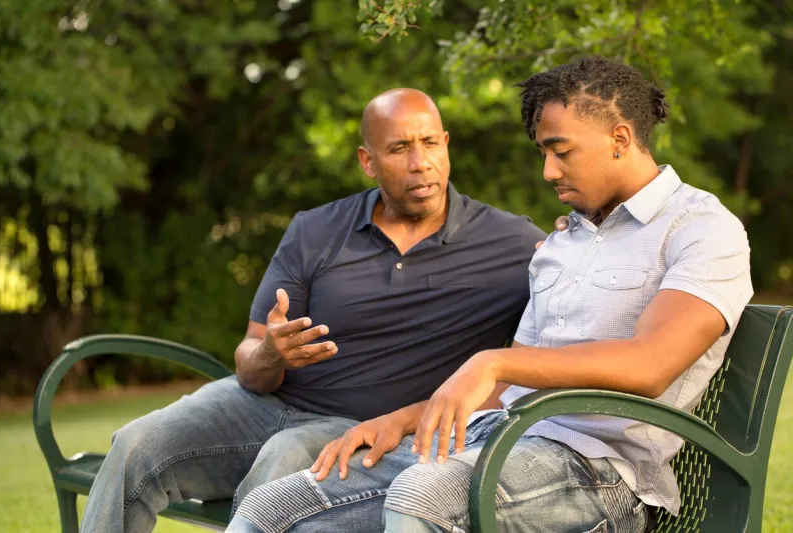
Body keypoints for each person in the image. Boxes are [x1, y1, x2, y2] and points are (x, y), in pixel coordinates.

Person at [225, 56, 754, 533]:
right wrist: (399, 421)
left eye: (560, 151)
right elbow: (506, 391)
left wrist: (492, 362)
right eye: (545, 152)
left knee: (422, 495)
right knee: (275, 506)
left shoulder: (700, 229)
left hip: (597, 472)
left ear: (619, 138)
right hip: (492, 441)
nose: (548, 171)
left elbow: (651, 364)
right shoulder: (562, 243)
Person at [79, 88, 547, 533]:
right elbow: (250, 362)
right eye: (399, 148)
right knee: (135, 445)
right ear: (368, 161)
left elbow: (578, 281)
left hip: (361, 428)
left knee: (281, 461)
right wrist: (271, 354)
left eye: (429, 143)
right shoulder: (316, 229)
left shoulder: (511, 243)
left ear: (446, 145)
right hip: (258, 404)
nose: (420, 162)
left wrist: (575, 240)